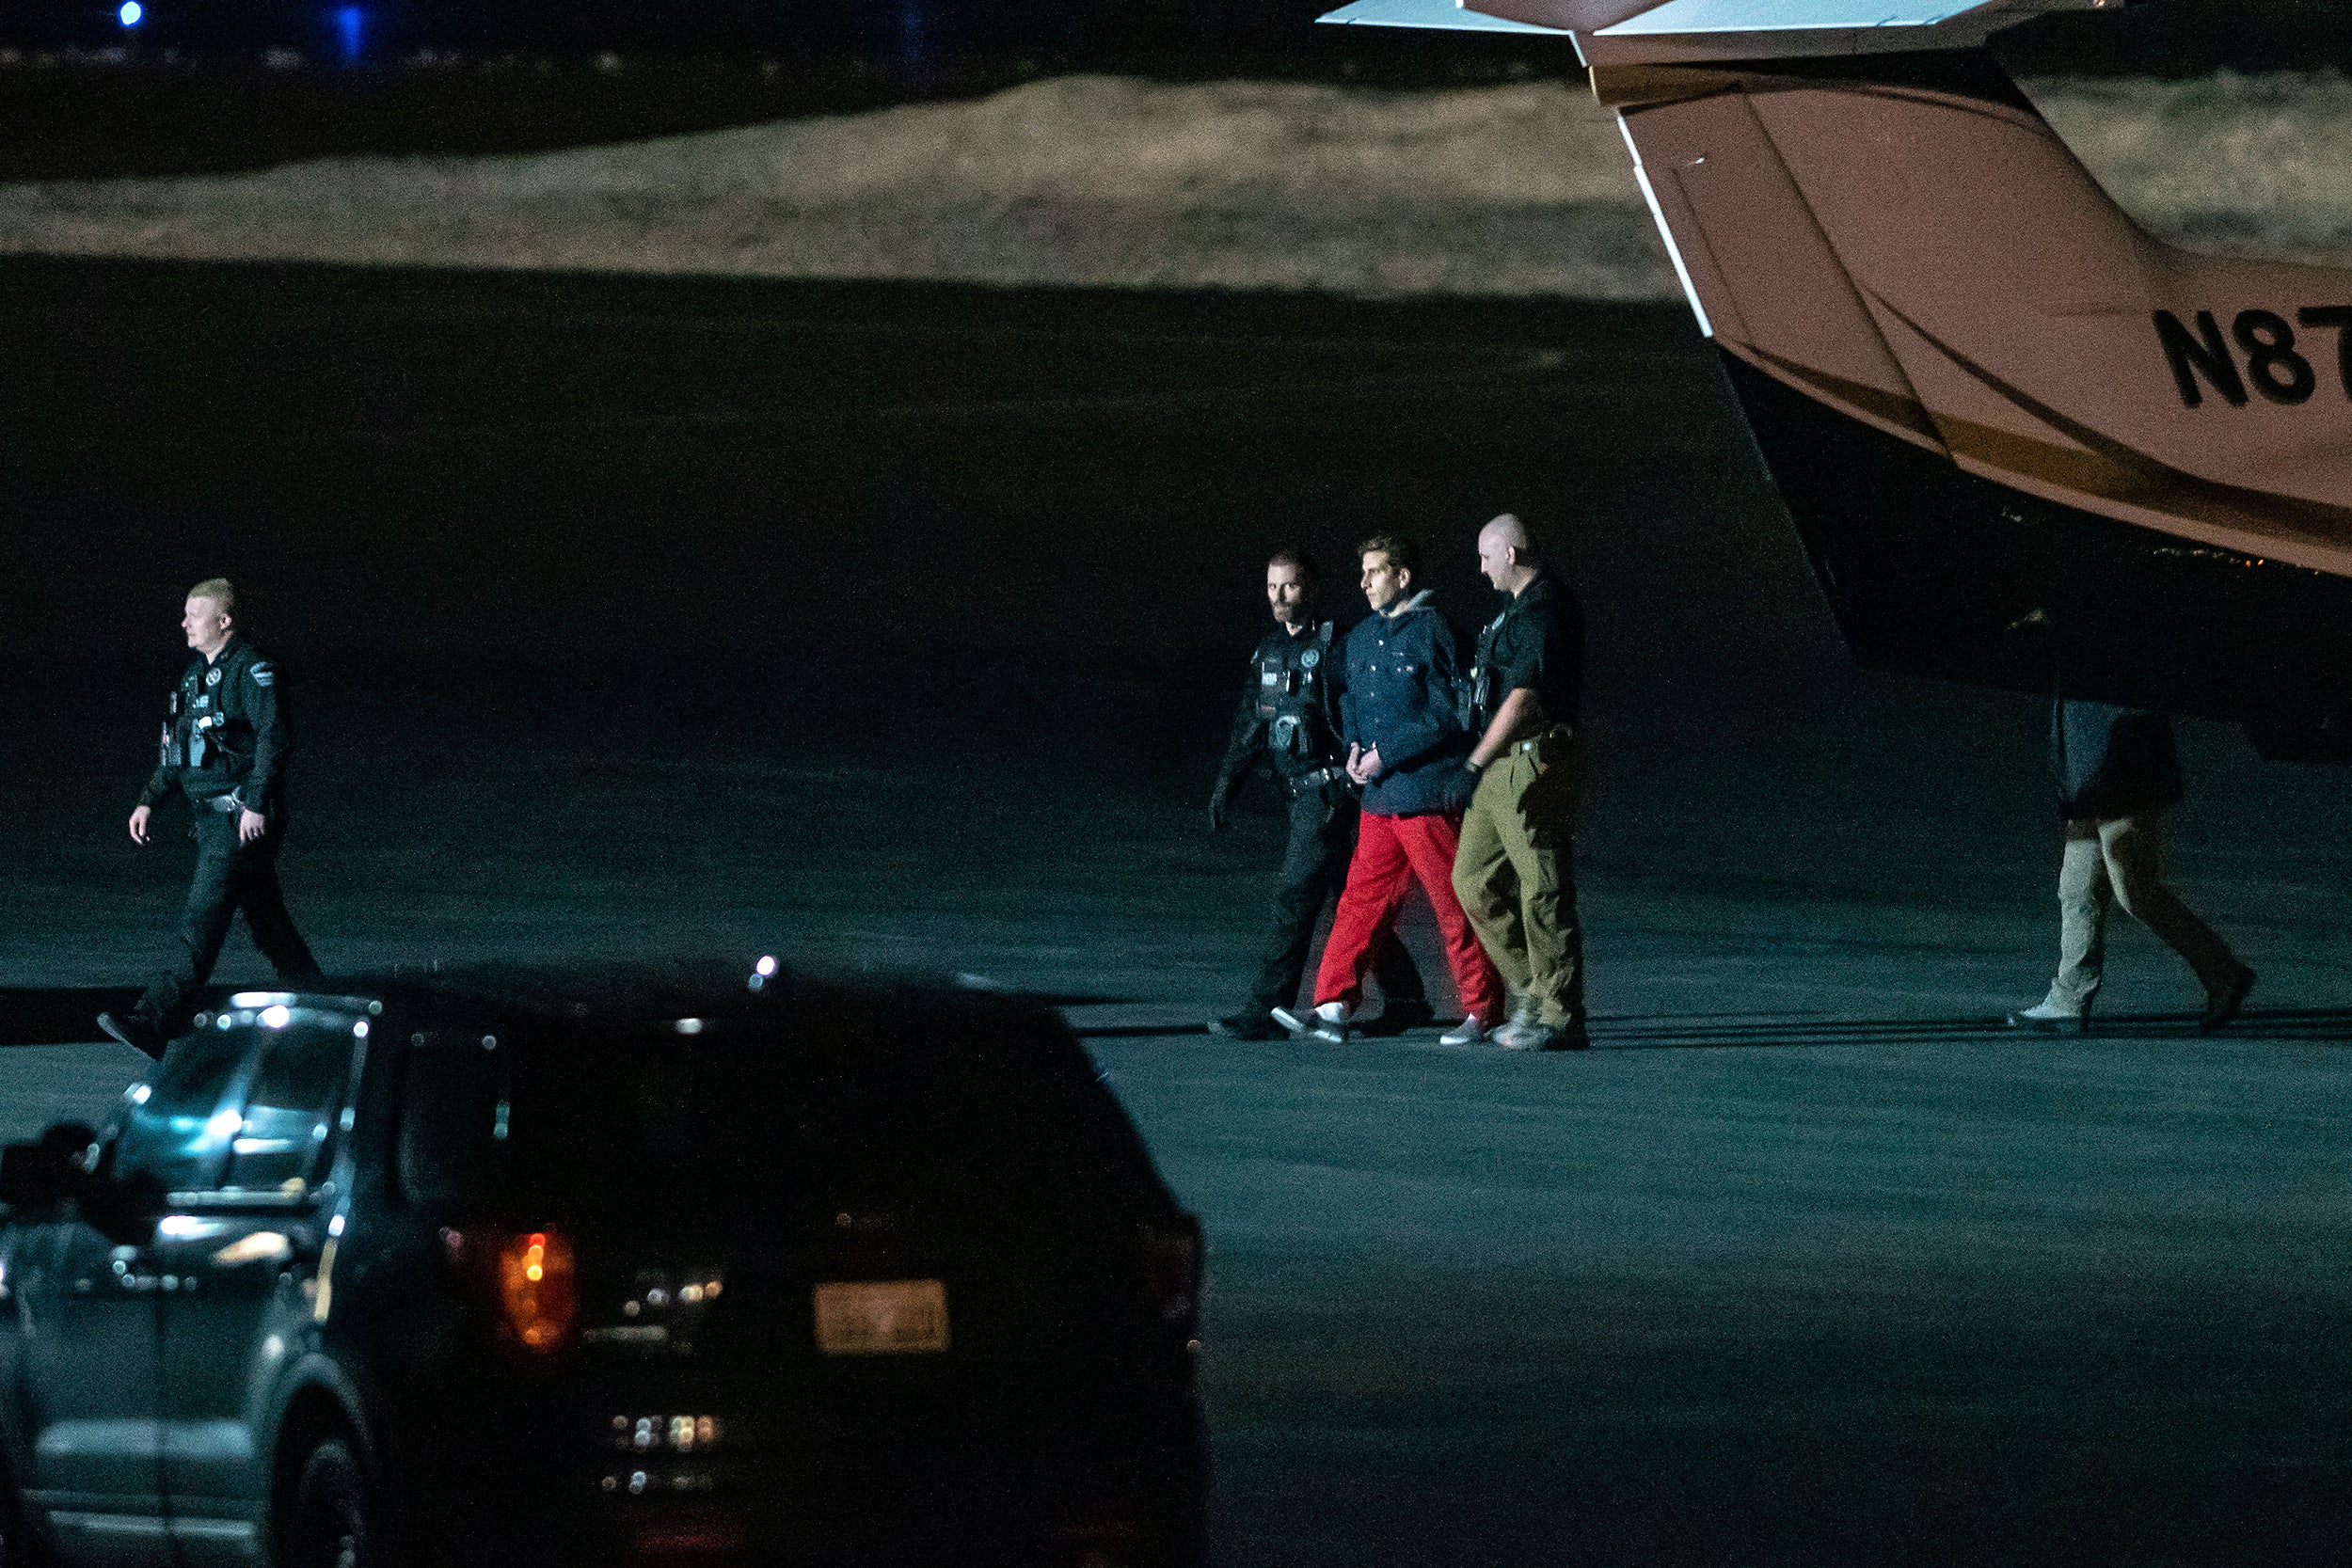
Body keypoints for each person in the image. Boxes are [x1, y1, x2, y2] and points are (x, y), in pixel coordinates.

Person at [1281, 536, 1506, 1045]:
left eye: (1375, 572)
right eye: (1362, 572)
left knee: (1454, 902)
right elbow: (1352, 701)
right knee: (1361, 900)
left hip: (1426, 795)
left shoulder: (1435, 631)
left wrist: (1389, 752)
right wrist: (1357, 751)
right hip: (1381, 797)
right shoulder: (1360, 638)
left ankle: (1484, 1007)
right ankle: (1334, 1002)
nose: (1363, 583)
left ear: (1403, 577)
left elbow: (1452, 710)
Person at [1208, 549, 1433, 1039]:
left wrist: (1367, 765)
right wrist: (1229, 781)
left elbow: (1364, 707)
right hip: (1297, 796)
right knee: (1349, 901)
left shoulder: (1337, 648)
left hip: (1328, 796)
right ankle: (1408, 997)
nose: (1279, 597)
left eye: (1288, 586)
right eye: (1271, 587)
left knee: (1294, 897)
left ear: (1309, 587)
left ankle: (1266, 1009)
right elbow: (1252, 721)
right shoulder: (1269, 649)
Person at [98, 579, 323, 1057]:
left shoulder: (254, 672)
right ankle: (323, 1007)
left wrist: (257, 804)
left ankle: (155, 1021)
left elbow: (273, 739)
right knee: (270, 926)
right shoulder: (193, 676)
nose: (183, 623)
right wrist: (149, 799)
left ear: (223, 621)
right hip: (211, 820)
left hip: (238, 819)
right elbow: (177, 748)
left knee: (201, 921)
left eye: (193, 615)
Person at [2007, 697, 2254, 1035]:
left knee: (2132, 882)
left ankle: (2222, 971)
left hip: (2122, 722)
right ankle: (2068, 997)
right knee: (2078, 877)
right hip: (2085, 716)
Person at [1453, 513, 1591, 1051]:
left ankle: (1559, 1016)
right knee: (1473, 881)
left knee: (1542, 888)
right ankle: (1532, 992)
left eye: (1486, 557)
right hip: (1501, 764)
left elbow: (1525, 697)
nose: (1482, 569)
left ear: (1511, 554)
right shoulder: (1512, 612)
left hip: (1531, 762)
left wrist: (1473, 762)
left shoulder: (1544, 610)